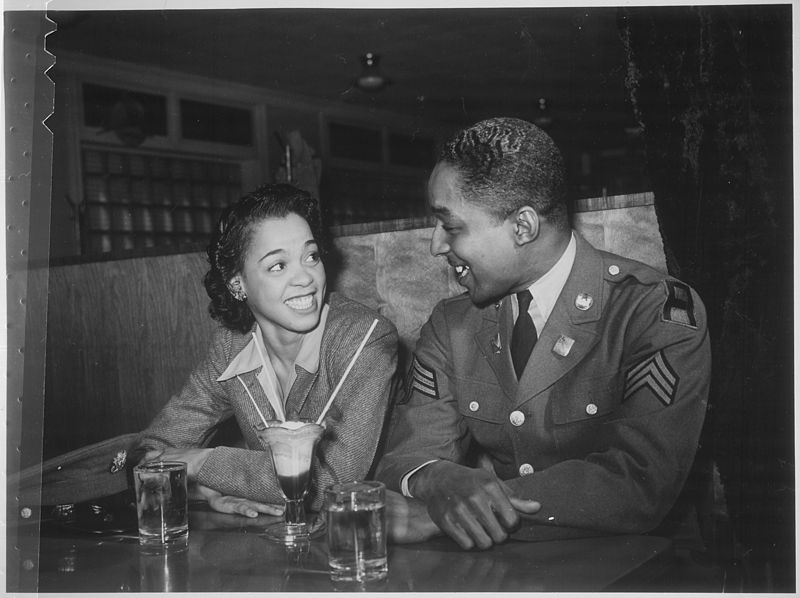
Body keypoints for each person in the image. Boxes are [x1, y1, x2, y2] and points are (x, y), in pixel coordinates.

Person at [376, 117, 711, 550]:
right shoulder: (452, 324)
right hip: (503, 571)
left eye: (452, 226)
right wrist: (438, 478)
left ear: (523, 227)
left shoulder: (652, 312)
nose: (436, 245)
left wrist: (455, 513)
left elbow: (638, 483)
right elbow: (405, 457)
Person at [136, 184, 399, 518]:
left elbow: (330, 485)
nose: (306, 277)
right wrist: (202, 490)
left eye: (311, 256)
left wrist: (202, 462)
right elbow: (152, 450)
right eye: (278, 265)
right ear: (237, 284)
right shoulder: (232, 347)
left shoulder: (363, 338)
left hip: (372, 540)